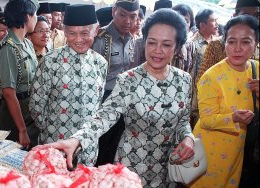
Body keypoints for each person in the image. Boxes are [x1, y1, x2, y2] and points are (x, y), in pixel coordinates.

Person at [44, 9, 195, 187]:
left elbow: (183, 121)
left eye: (166, 45)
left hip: (168, 170)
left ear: (177, 47)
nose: (157, 51)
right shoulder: (129, 80)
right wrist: (76, 140)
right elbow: (104, 116)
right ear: (144, 41)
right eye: (152, 42)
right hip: (129, 170)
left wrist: (188, 138)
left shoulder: (184, 80)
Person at [29, 4, 108, 166]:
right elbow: (37, 105)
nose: (78, 39)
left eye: (85, 33)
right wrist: (50, 130)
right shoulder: (50, 61)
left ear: (96, 30)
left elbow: (99, 105)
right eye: (72, 33)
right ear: (64, 32)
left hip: (88, 147)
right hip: (56, 145)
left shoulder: (100, 63)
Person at [190, 15, 259, 188]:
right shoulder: (211, 77)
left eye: (245, 42)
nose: (237, 48)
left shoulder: (256, 69)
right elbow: (206, 120)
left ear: (256, 44)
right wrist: (233, 118)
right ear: (224, 42)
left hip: (237, 149)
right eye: (231, 41)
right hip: (210, 149)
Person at [92, 0, 139, 166]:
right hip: (103, 100)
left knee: (115, 146)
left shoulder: (132, 40)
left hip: (125, 101)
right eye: (122, 15)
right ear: (113, 12)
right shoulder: (99, 39)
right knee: (99, 146)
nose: (128, 21)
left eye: (133, 16)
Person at [0, 0, 39, 149]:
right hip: (16, 115)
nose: (37, 18)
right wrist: (22, 129)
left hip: (30, 109)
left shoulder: (27, 43)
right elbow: (8, 93)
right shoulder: (8, 48)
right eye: (35, 14)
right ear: (27, 16)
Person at [196, 0, 260, 86]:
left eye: (257, 15)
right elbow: (201, 82)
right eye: (246, 15)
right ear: (235, 16)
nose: (252, 20)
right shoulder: (216, 46)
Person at [189, 9, 218, 127]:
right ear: (202, 25)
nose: (216, 24)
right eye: (213, 21)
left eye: (217, 20)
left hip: (213, 93)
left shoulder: (217, 44)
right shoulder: (192, 44)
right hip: (194, 96)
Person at [171, 4, 196, 72]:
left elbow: (190, 72)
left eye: (186, 21)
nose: (183, 24)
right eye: (179, 19)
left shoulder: (191, 46)